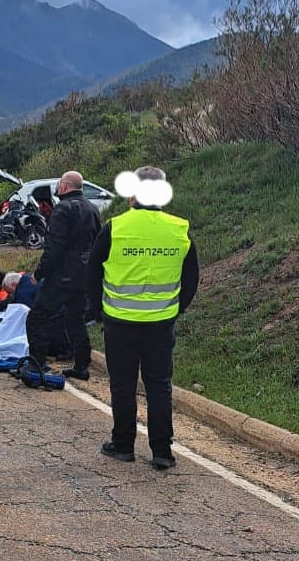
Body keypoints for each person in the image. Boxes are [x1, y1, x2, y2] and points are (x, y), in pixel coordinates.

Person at [88, 166, 199, 470]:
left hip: (119, 322)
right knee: (159, 385)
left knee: (122, 385)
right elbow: (192, 279)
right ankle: (162, 451)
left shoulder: (116, 227)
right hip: (161, 324)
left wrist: (99, 310)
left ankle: (123, 445)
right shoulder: (179, 229)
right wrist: (176, 309)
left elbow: (92, 270)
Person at [25, 171, 102, 380]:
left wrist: (39, 274)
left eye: (59, 184)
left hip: (61, 276)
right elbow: (97, 244)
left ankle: (37, 364)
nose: (57, 188)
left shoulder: (62, 210)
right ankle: (81, 366)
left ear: (66, 187)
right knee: (75, 320)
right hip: (84, 276)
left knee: (37, 317)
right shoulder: (93, 209)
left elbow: (54, 248)